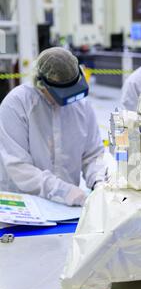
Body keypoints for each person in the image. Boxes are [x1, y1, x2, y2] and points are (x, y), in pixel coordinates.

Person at [0, 47, 106, 206]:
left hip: (67, 209)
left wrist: (100, 181)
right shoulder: (16, 104)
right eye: (62, 93)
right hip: (24, 205)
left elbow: (92, 155)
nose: (69, 99)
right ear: (41, 84)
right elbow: (18, 167)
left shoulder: (82, 106)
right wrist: (63, 191)